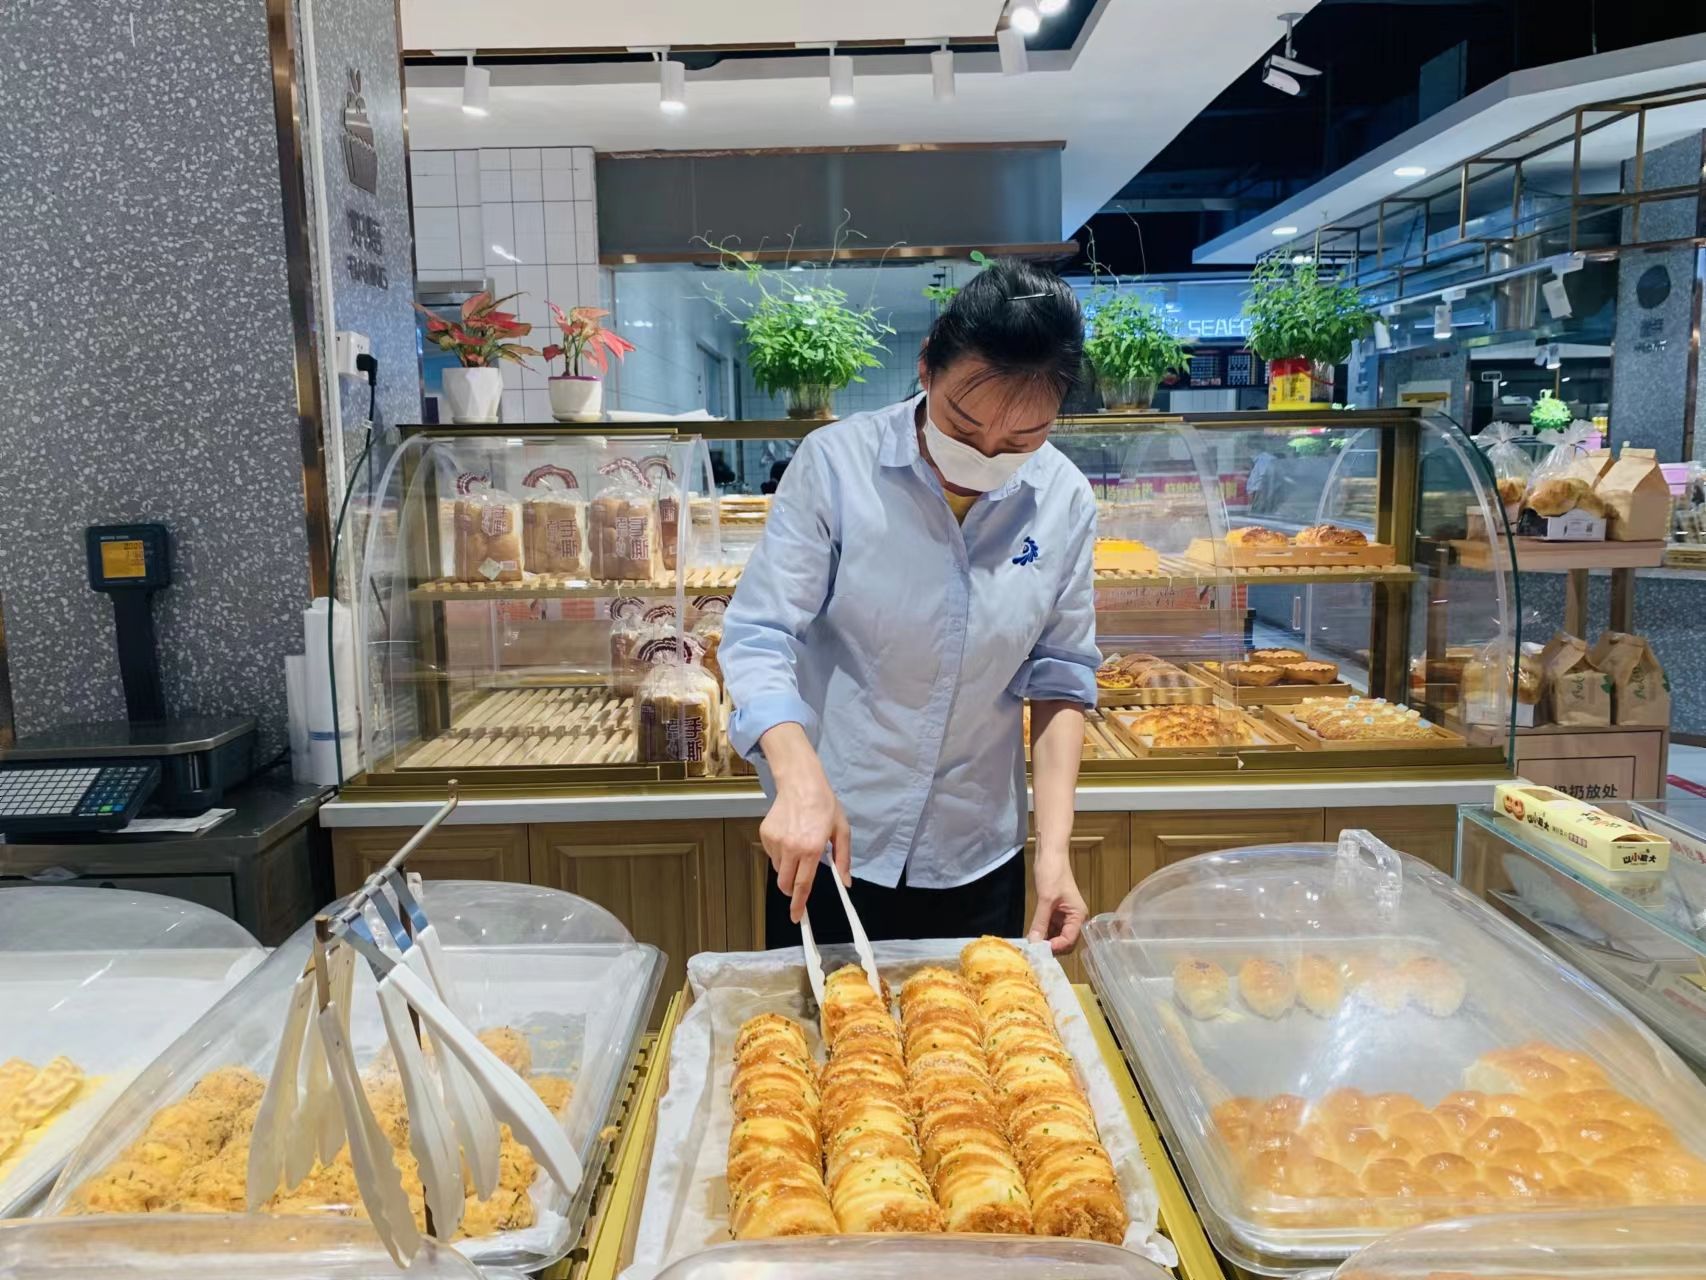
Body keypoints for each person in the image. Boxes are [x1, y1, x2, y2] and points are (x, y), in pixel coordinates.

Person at [720, 259, 1099, 954]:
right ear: (926, 366)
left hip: (974, 848)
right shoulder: (837, 465)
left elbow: (1060, 677)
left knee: (972, 1021)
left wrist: (1054, 853)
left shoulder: (1065, 499)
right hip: (831, 835)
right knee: (831, 1022)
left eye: (1022, 440)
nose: (985, 456)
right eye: (963, 425)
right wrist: (796, 777)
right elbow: (761, 633)